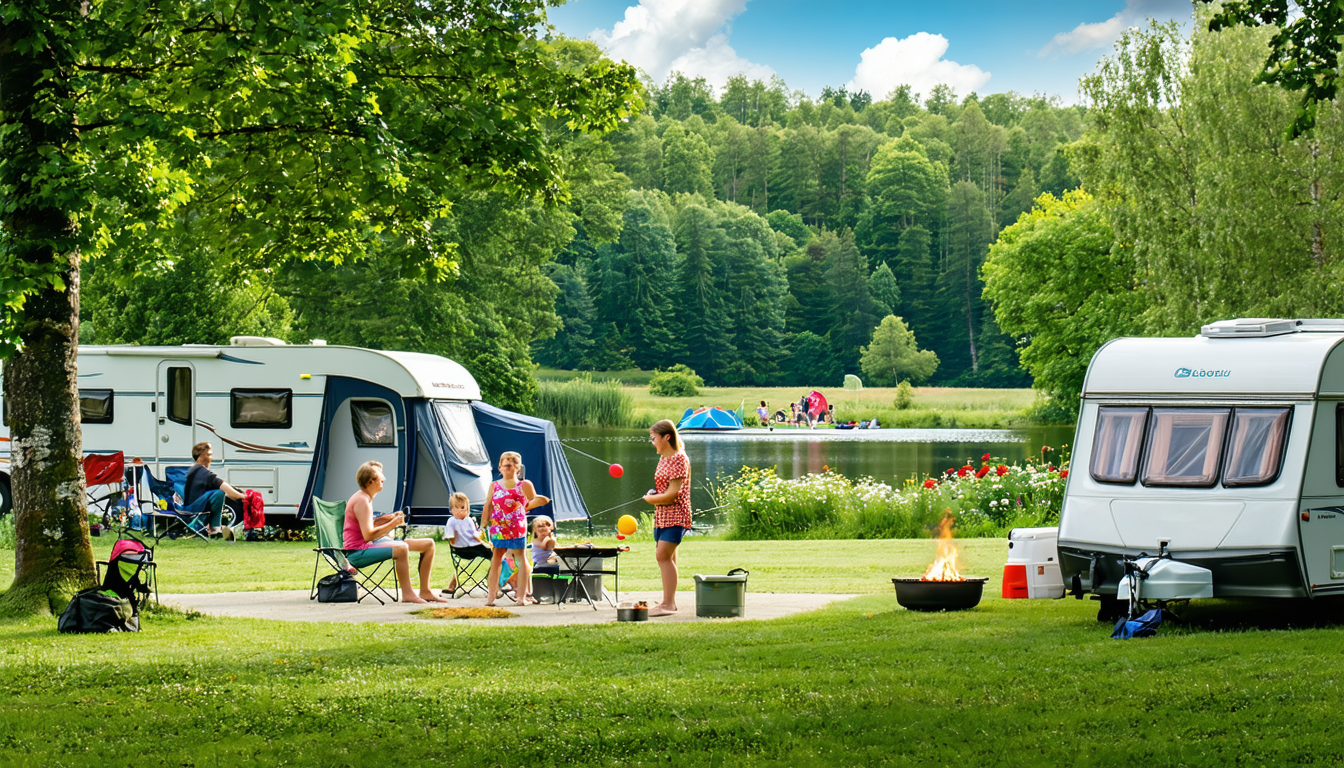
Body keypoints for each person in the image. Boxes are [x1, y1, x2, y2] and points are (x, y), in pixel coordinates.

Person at [344, 460, 445, 604]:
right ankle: (408, 594)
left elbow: (368, 525)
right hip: (357, 552)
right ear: (371, 481)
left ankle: (425, 591)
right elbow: (368, 535)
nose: (383, 480)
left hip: (369, 544)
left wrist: (388, 518)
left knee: (428, 544)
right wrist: (393, 523)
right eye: (381, 478)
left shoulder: (365, 497)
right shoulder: (362, 501)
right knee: (401, 548)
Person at [481, 451, 550, 607]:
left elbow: (533, 501)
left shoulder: (524, 484)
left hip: (516, 527)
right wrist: (483, 524)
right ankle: (490, 598)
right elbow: (489, 505)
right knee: (496, 560)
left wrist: (534, 503)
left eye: (513, 463)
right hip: (498, 527)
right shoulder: (494, 485)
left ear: (518, 468)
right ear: (499, 467)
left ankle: (522, 596)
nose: (509, 465)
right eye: (505, 463)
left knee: (520, 559)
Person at [642, 419, 692, 617]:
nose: (652, 442)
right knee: (667, 556)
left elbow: (672, 494)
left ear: (667, 437)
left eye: (654, 438)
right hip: (662, 514)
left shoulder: (679, 458)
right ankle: (668, 600)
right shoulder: (664, 457)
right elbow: (664, 487)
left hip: (676, 514)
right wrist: (654, 493)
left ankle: (668, 604)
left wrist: (650, 499)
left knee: (662, 555)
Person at [182, 442, 245, 538]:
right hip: (194, 507)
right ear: (202, 456)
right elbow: (230, 492)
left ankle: (215, 528)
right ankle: (215, 529)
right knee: (219, 493)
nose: (211, 458)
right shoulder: (202, 472)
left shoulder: (195, 470)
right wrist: (246, 497)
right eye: (209, 455)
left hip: (193, 504)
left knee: (219, 494)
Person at [441, 492, 489, 596]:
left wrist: (483, 542)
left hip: (472, 547)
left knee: (495, 555)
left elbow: (475, 535)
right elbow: (450, 537)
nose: (460, 511)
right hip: (461, 549)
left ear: (468, 509)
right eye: (457, 508)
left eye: (463, 507)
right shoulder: (451, 521)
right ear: (451, 510)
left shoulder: (469, 520)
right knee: (494, 554)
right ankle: (493, 582)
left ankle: (491, 581)